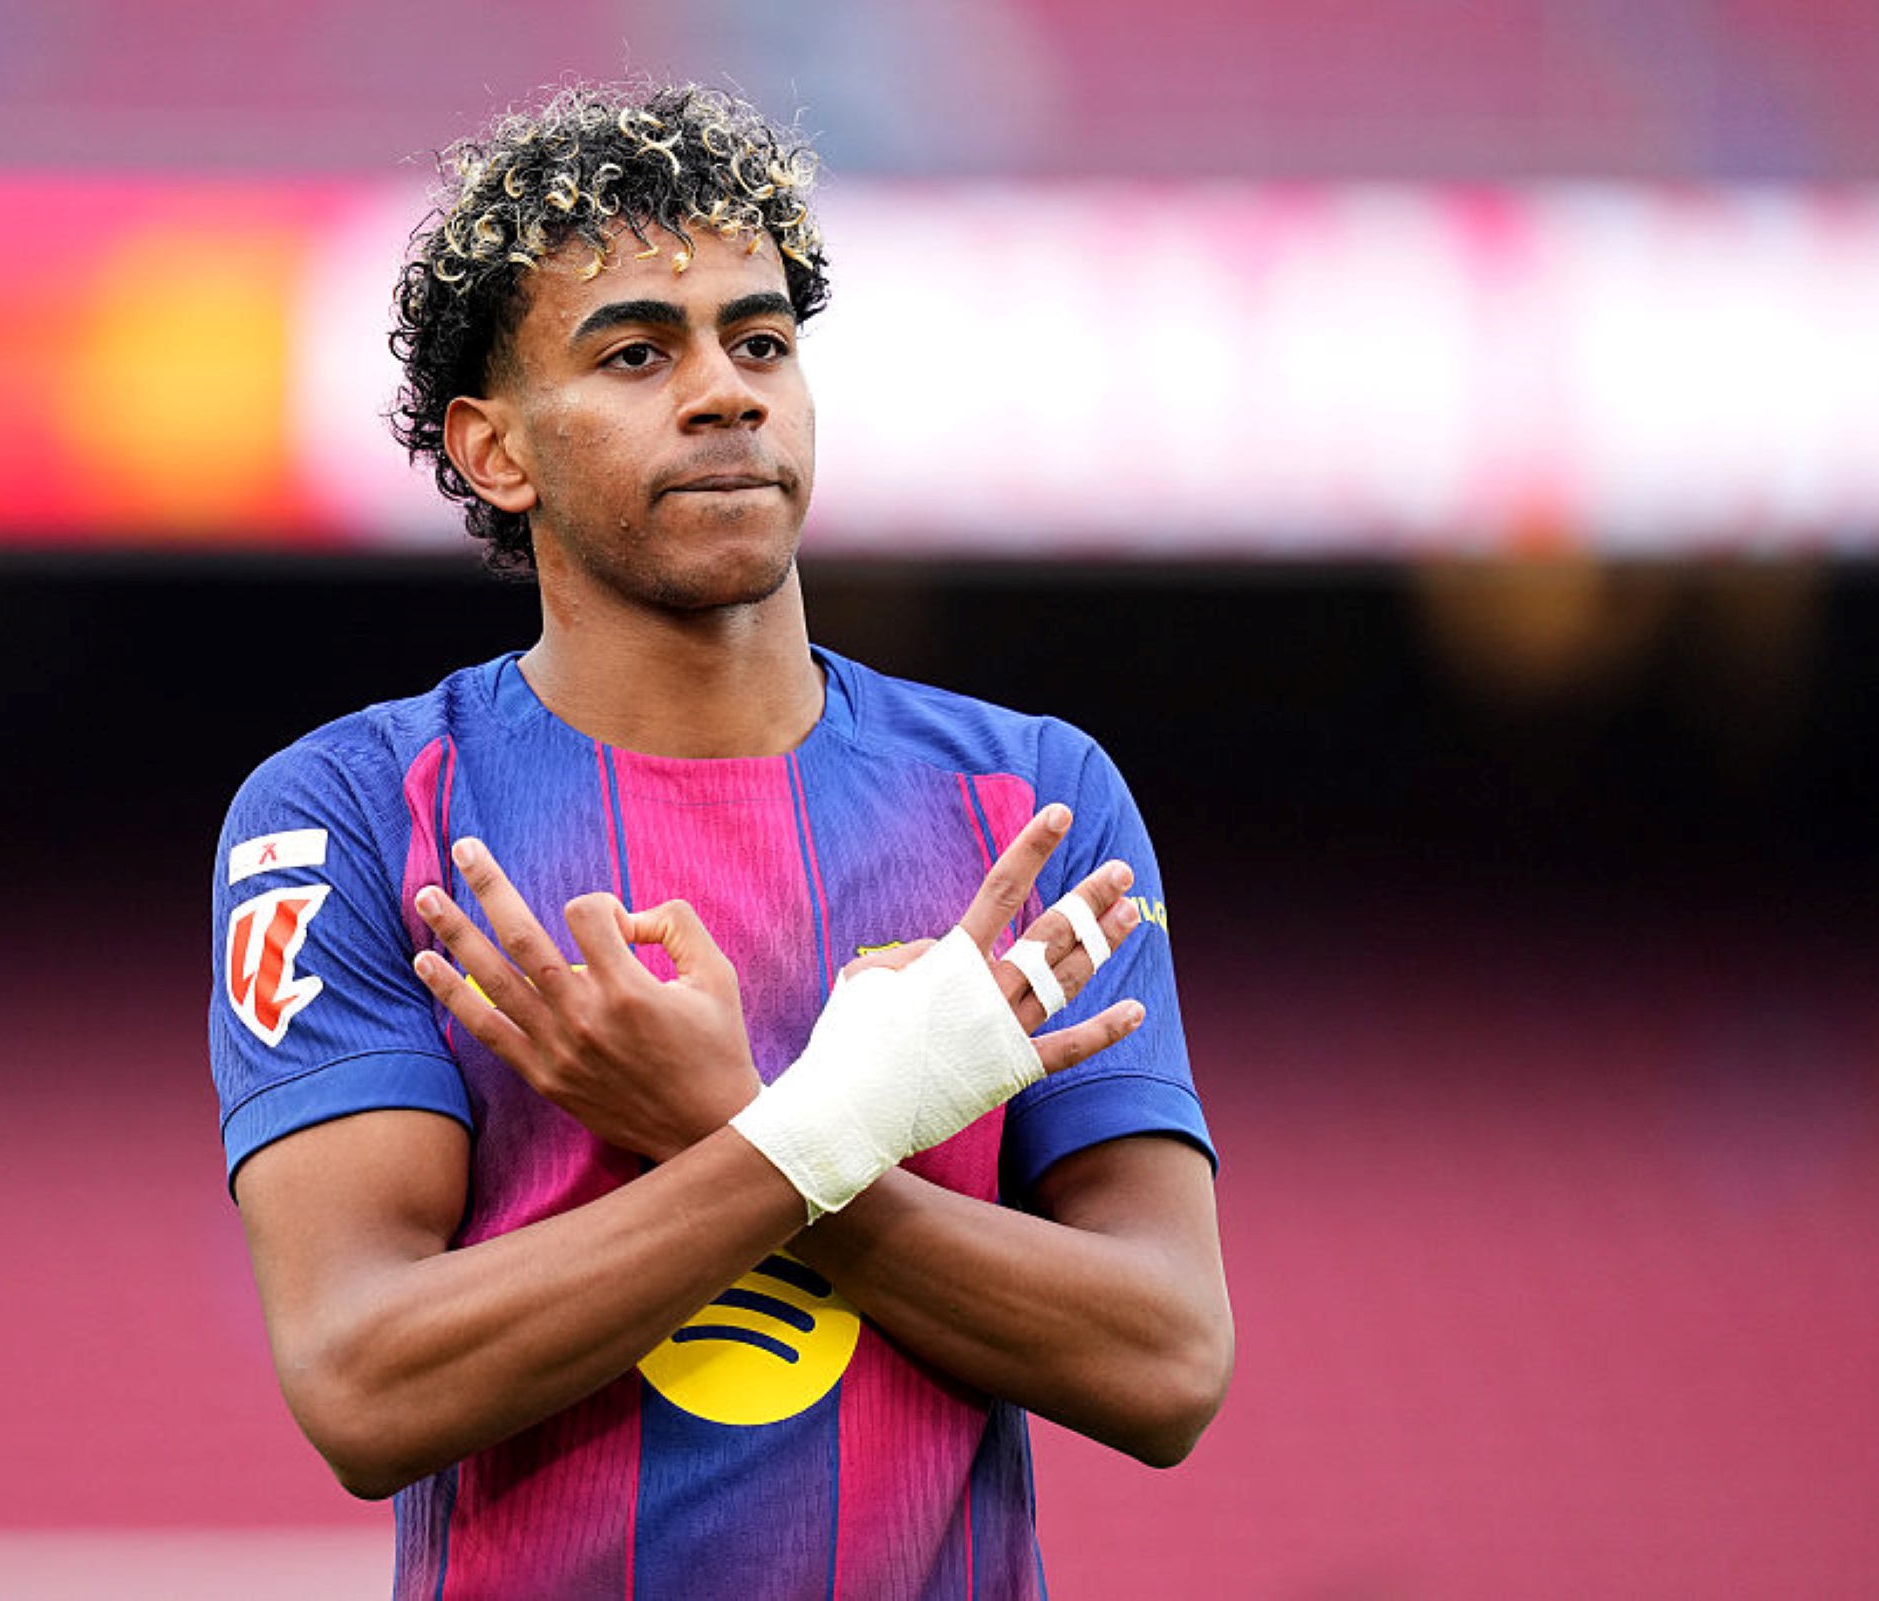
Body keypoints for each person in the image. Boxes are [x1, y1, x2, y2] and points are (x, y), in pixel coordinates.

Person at [210, 79, 1231, 1599]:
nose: (726, 393)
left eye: (759, 343)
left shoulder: (1033, 799)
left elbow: (1167, 1362)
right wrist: (830, 1124)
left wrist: (734, 1123)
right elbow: (365, 1383)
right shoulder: (349, 811)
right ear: (495, 452)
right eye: (637, 353)